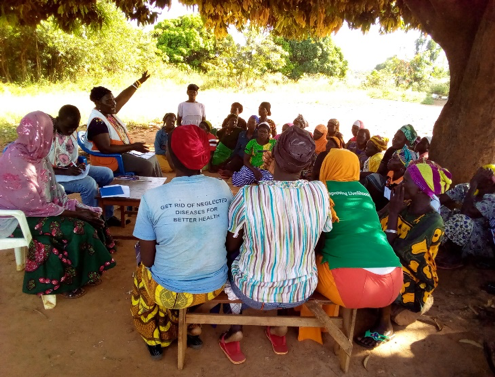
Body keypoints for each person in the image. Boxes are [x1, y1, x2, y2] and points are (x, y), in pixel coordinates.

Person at [219, 127, 333, 364]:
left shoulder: (248, 194)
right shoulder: (319, 192)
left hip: (253, 291)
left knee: (231, 255)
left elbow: (231, 245)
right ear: (308, 162)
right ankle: (280, 329)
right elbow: (319, 241)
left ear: (272, 155)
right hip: (300, 290)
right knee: (290, 248)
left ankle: (234, 329)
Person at [131, 125, 233, 360]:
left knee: (142, 273)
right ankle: (188, 326)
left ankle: (155, 337)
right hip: (214, 285)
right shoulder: (222, 188)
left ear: (169, 157)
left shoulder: (153, 198)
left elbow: (148, 260)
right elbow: (228, 238)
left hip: (170, 289)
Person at [0, 112, 116, 299]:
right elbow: (32, 206)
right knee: (76, 227)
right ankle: (69, 283)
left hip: (39, 210)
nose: (53, 138)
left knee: (90, 215)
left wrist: (74, 207)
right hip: (17, 219)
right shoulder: (16, 160)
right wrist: (75, 214)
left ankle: (86, 273)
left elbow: (54, 189)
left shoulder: (36, 153)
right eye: (50, 133)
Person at [298, 149, 402, 344]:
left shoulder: (320, 190)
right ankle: (384, 323)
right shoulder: (363, 192)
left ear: (328, 165)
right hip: (393, 283)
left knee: (305, 260)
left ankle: (304, 320)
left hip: (349, 287)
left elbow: (313, 240)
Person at [355, 160, 450, 349]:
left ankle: (385, 325)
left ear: (422, 189)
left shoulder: (432, 222)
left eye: (406, 181)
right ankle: (377, 301)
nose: (400, 184)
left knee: (386, 267)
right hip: (390, 260)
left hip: (414, 278)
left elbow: (393, 252)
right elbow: (373, 222)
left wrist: (393, 216)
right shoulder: (404, 206)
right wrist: (390, 208)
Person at [48, 105, 118, 226]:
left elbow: (70, 155)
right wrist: (65, 171)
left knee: (106, 173)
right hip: (52, 177)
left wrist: (79, 164)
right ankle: (91, 222)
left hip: (70, 171)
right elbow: (38, 167)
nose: (70, 131)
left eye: (74, 128)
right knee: (89, 184)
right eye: (67, 127)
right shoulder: (46, 134)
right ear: (58, 119)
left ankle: (107, 216)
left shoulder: (70, 133)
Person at [86, 72, 163, 177]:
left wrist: (139, 82)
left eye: (113, 99)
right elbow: (106, 149)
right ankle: (146, 192)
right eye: (109, 101)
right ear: (98, 102)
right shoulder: (97, 122)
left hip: (121, 154)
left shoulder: (107, 111)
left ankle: (156, 189)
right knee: (146, 166)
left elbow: (123, 97)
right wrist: (133, 146)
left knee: (152, 157)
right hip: (110, 159)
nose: (113, 103)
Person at [436, 165, 495, 269]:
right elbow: (438, 200)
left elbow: (466, 212)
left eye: (479, 176)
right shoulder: (466, 188)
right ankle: (441, 245)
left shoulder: (492, 199)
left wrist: (474, 185)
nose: (475, 177)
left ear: (490, 182)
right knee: (435, 209)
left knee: (462, 221)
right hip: (456, 230)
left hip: (476, 242)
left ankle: (455, 257)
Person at [230, 122, 276, 187]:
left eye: (265, 132)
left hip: (266, 170)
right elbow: (245, 160)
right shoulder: (252, 143)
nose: (262, 133)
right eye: (260, 131)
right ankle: (235, 174)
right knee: (238, 182)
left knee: (267, 185)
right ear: (257, 132)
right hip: (252, 168)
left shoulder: (274, 143)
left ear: (268, 134)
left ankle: (254, 180)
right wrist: (255, 171)